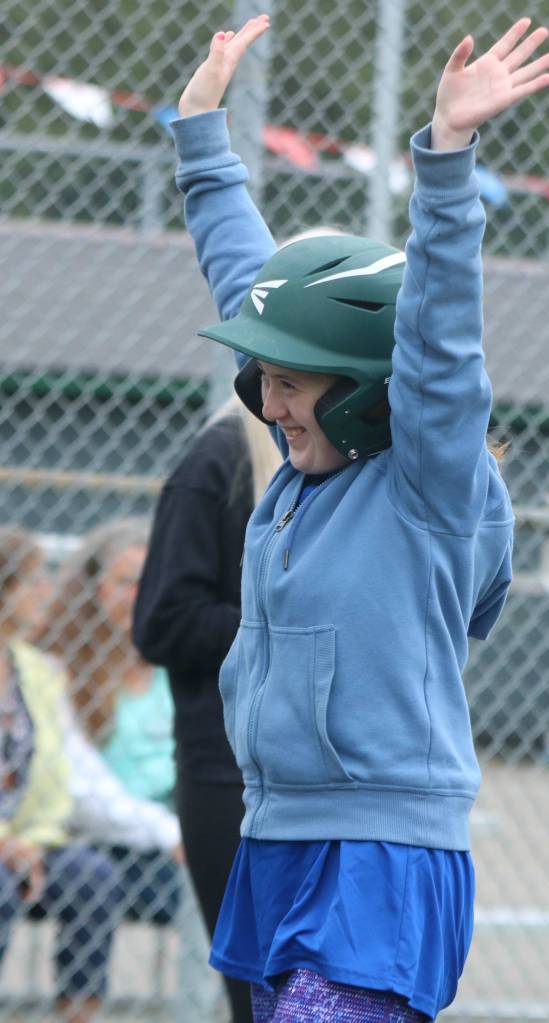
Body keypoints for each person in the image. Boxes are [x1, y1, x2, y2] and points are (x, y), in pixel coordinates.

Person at [170, 14, 549, 1023]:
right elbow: (246, 279)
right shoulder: (307, 468)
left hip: (379, 853)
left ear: (368, 391)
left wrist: (447, 156)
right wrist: (201, 136)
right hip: (276, 833)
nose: (269, 404)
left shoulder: (424, 484)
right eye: (264, 380)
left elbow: (439, 341)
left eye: (292, 385)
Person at [133, 396, 281, 1023]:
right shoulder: (219, 461)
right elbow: (162, 622)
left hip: (316, 774)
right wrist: (286, 625)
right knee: (259, 992)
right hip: (227, 774)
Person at [0, 525, 124, 1023]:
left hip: (29, 838)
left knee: (92, 877)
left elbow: (67, 768)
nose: (46, 592)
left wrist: (29, 841)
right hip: (6, 845)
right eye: (34, 581)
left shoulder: (37, 670)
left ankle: (78, 1015)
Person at [40, 519, 183, 926]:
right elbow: (82, 790)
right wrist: (167, 831)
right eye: (125, 582)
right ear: (93, 589)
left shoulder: (173, 662)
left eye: (149, 582)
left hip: (175, 824)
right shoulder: (62, 670)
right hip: (103, 836)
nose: (139, 596)